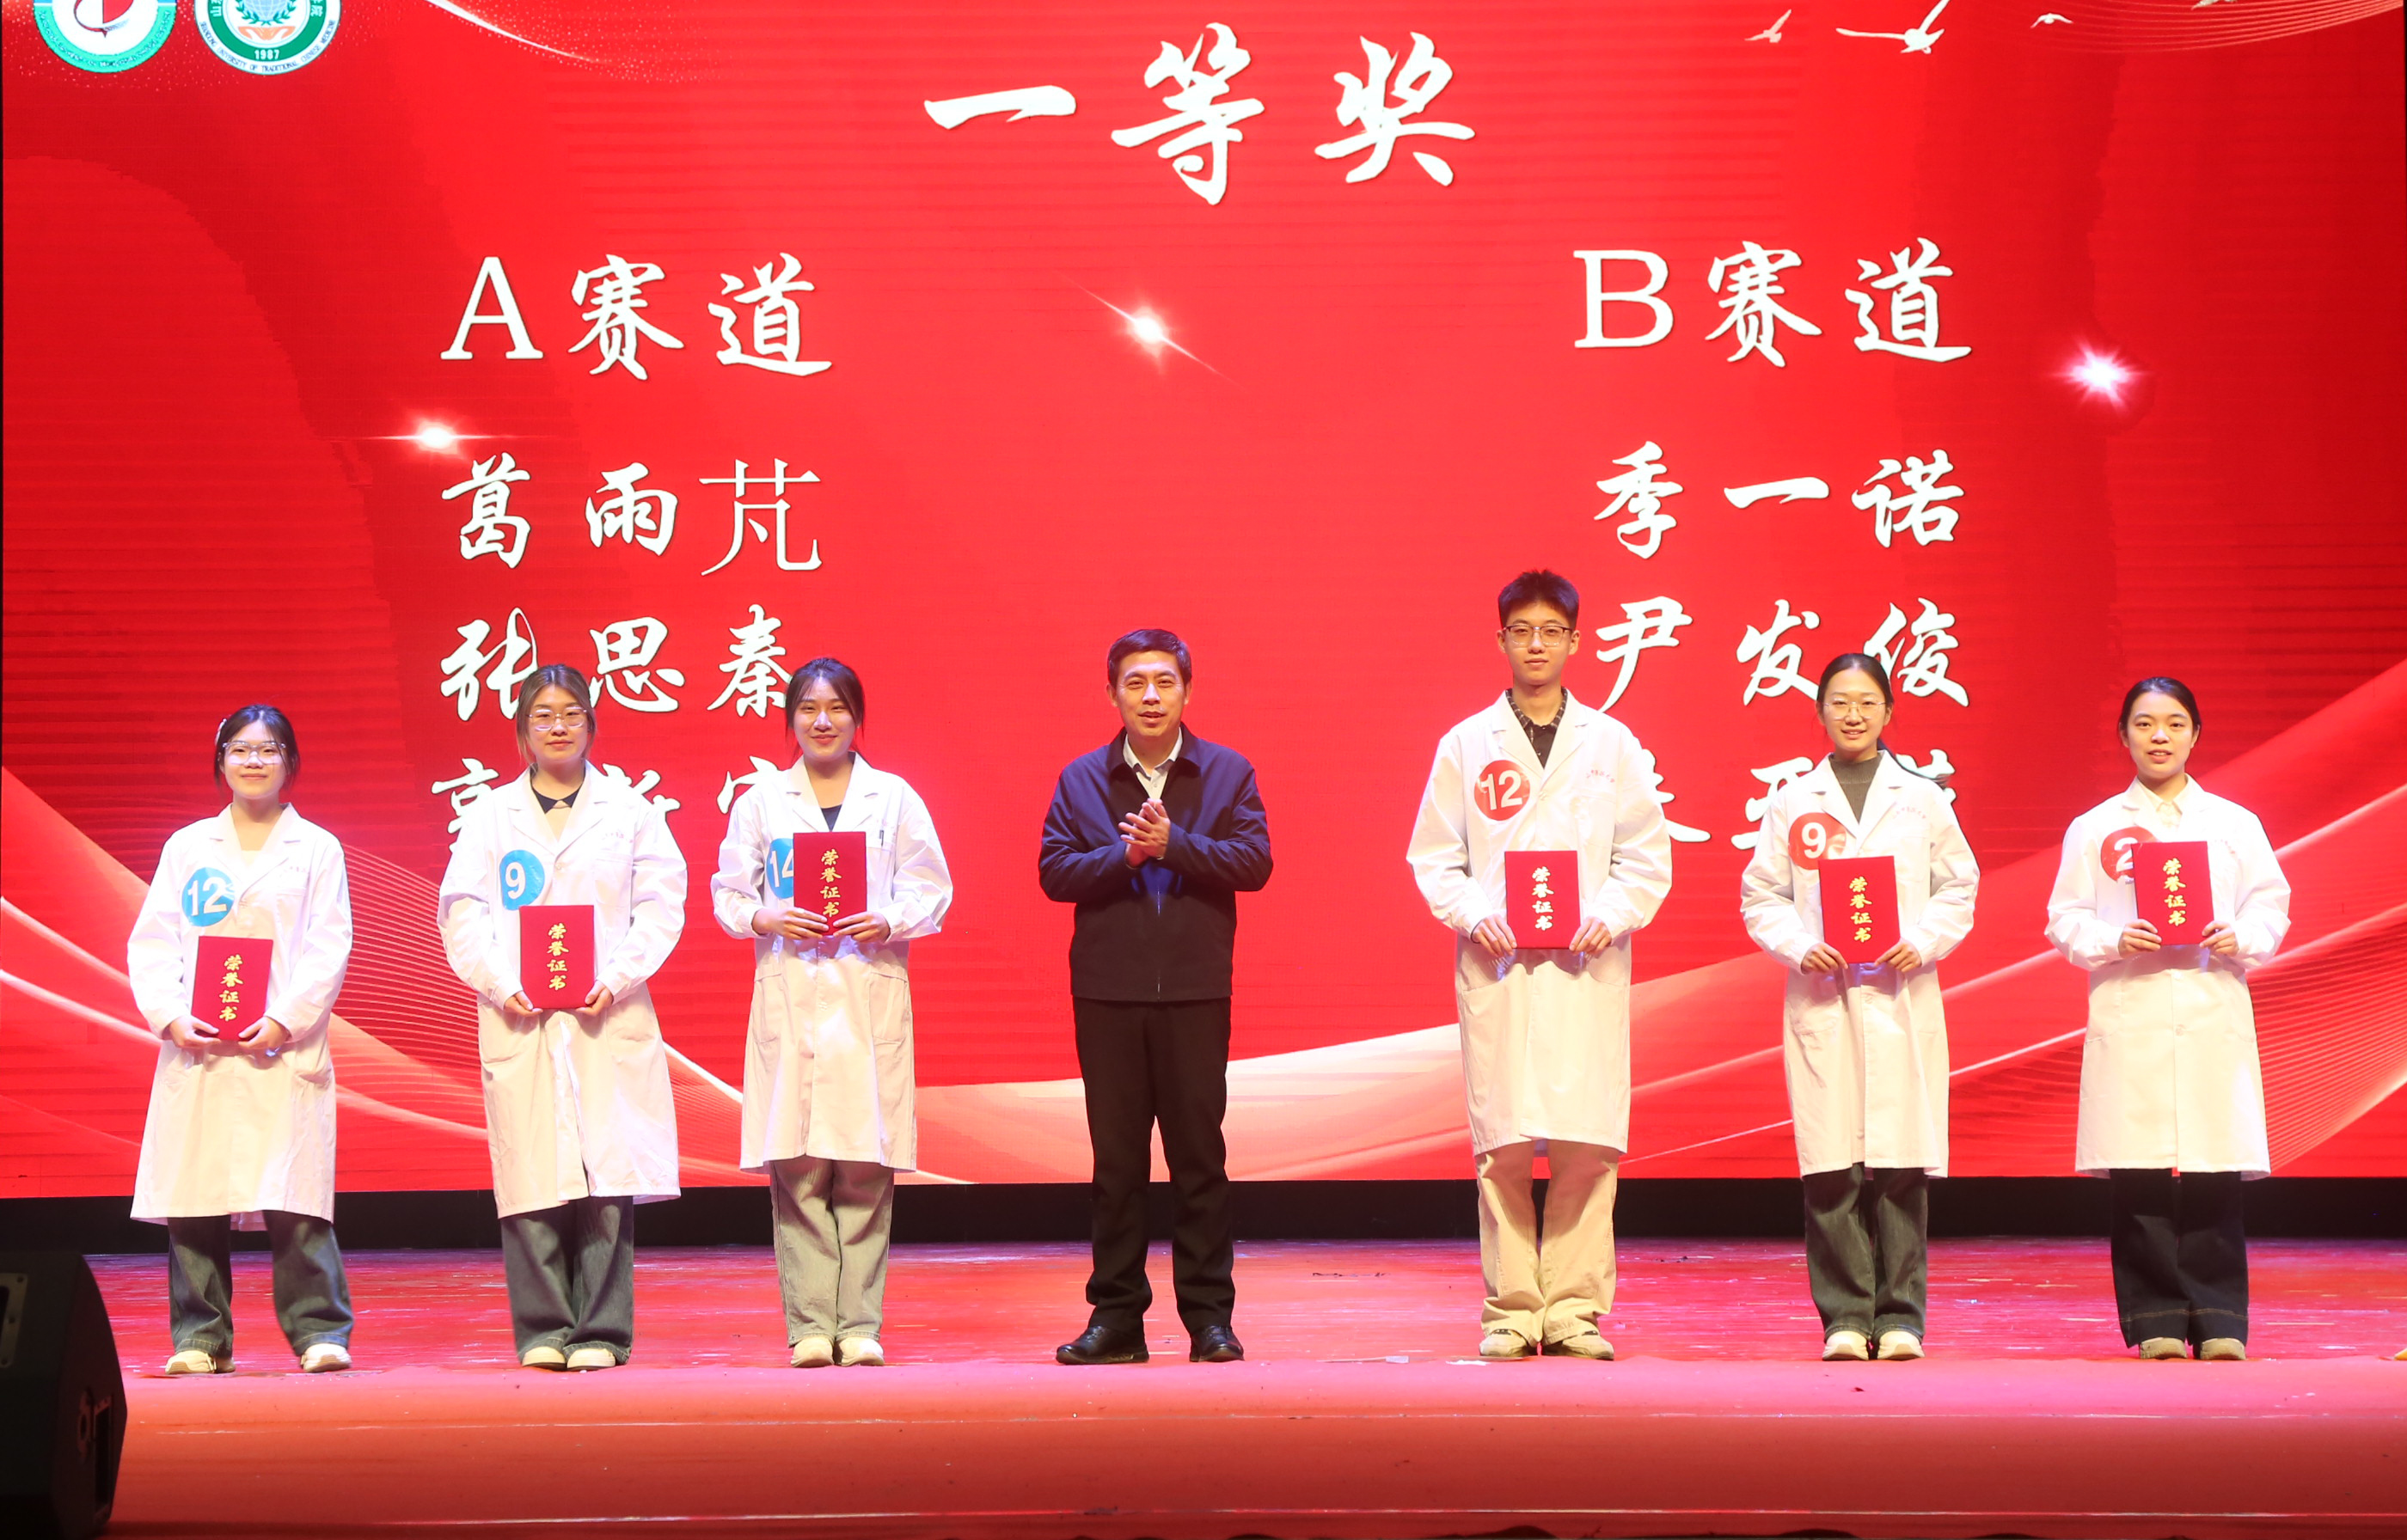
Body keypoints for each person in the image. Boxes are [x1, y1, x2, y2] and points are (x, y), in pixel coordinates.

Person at [1406, 571, 1673, 1362]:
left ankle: (1576, 1310)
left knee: (1588, 1142)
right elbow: (1434, 857)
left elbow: (1645, 856)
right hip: (1501, 968)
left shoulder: (1612, 744)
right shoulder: (1466, 744)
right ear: (1501, 640)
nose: (1536, 645)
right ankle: (1514, 1310)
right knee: (1505, 1145)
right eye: (1521, 631)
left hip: (1586, 966)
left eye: (1551, 632)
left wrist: (1610, 915)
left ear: (1575, 642)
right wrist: (1474, 913)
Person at [438, 664, 687, 1371]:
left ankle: (603, 1331)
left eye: (571, 713)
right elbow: (462, 911)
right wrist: (499, 983)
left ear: (591, 724)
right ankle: (544, 1329)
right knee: (530, 1171)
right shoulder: (491, 816)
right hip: (521, 1015)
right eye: (543, 715)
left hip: (604, 1014)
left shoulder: (630, 811)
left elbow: (661, 905)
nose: (557, 727)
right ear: (522, 729)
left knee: (606, 1175)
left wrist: (616, 976)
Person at [711, 659, 952, 1369]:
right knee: (799, 1165)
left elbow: (931, 887)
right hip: (791, 989)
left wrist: (891, 919)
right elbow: (728, 892)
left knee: (865, 1165)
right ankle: (813, 1325)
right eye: (809, 708)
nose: (823, 721)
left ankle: (861, 1324)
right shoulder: (761, 800)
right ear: (790, 719)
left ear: (857, 718)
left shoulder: (894, 797)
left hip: (865, 990)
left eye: (838, 707)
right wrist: (765, 916)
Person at [1039, 629, 1272, 1366]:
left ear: (1187, 692)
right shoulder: (1082, 778)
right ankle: (1117, 1320)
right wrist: (1127, 856)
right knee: (1117, 1167)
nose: (1150, 696)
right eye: (1135, 682)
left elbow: (1255, 862)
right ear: (1112, 694)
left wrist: (1176, 846)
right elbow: (1054, 873)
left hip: (1196, 993)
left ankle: (1210, 1320)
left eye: (1165, 682)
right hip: (1108, 994)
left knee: (1200, 1161)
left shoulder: (1227, 772)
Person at [1739, 653, 1978, 1363]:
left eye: (1867, 702)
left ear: (1888, 712)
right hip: (1826, 997)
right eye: (1840, 702)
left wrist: (1922, 941)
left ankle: (1901, 1317)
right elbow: (1762, 894)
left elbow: (1958, 885)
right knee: (1831, 1167)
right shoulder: (1792, 800)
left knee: (1901, 1165)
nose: (1853, 715)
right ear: (1820, 712)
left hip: (1900, 995)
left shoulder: (1923, 798)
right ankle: (1844, 1317)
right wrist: (1799, 944)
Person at [2045, 677, 2290, 1362]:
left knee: (2215, 1169)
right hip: (2134, 1006)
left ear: (2195, 734)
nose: (2160, 736)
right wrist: (2112, 939)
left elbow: (2271, 906)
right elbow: (2064, 918)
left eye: (2175, 723)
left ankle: (2220, 1320)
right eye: (2145, 723)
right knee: (2140, 1175)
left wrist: (2240, 935)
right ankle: (2154, 1319)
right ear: (2123, 735)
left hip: (2211, 1005)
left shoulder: (2235, 824)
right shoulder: (2094, 826)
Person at [126, 705, 356, 1374]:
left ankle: (319, 1331)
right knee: (193, 1194)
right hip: (199, 1049)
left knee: (295, 1198)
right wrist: (171, 1015)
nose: (254, 761)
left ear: (290, 762)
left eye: (269, 750)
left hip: (281, 1049)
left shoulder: (316, 848)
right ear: (221, 761)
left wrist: (285, 1019)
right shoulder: (187, 847)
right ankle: (201, 1338)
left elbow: (328, 946)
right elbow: (153, 941)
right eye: (240, 749)